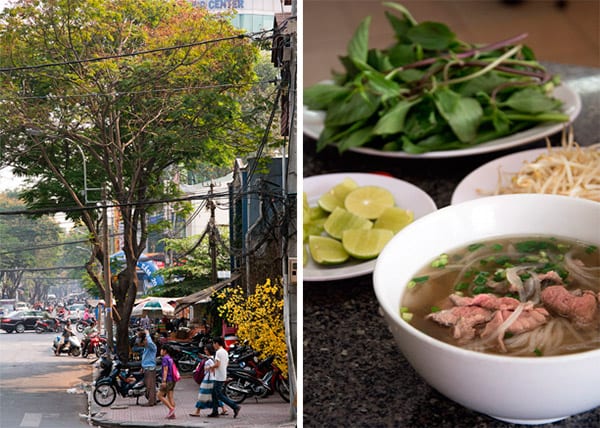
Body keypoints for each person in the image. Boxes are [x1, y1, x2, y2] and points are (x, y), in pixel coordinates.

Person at [189, 344, 227, 417]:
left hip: (208, 380)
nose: (205, 351)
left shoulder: (209, 361)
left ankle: (197, 411)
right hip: (213, 379)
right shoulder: (213, 358)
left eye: (206, 350)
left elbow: (207, 371)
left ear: (209, 350)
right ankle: (223, 408)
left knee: (202, 395)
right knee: (214, 396)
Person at [207, 336, 241, 418]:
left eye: (213, 344)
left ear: (217, 343)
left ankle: (235, 406)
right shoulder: (225, 352)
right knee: (214, 394)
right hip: (222, 374)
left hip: (219, 376)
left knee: (219, 394)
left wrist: (210, 367)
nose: (213, 345)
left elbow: (217, 364)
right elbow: (227, 363)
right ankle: (215, 411)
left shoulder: (219, 352)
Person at [136, 329, 157, 406]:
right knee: (150, 386)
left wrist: (147, 334)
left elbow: (150, 342)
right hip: (147, 368)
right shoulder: (146, 348)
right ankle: (153, 401)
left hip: (150, 369)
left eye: (145, 340)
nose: (144, 341)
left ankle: (151, 402)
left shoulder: (152, 347)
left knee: (150, 387)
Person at [157, 346, 177, 419]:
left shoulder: (165, 358)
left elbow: (165, 370)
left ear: (165, 351)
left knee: (159, 395)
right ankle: (173, 413)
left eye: (161, 350)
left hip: (168, 380)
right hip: (172, 380)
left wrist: (164, 381)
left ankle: (171, 409)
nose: (160, 351)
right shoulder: (170, 358)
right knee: (170, 396)